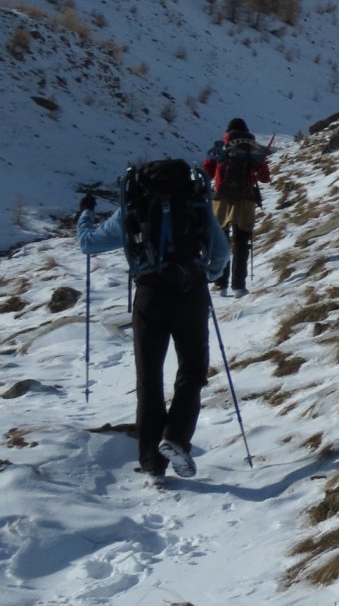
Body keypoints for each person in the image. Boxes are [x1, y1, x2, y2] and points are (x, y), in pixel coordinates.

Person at [78, 161, 229, 480]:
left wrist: (86, 213)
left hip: (149, 294)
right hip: (191, 291)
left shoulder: (135, 202)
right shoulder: (195, 200)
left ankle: (152, 463)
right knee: (192, 370)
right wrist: (208, 275)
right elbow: (221, 251)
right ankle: (175, 437)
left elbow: (88, 243)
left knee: (149, 376)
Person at [201, 117, 271, 296]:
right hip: (246, 200)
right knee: (241, 241)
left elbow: (207, 172)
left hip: (221, 199)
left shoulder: (222, 146)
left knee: (221, 241)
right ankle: (239, 285)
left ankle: (220, 283)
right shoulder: (253, 148)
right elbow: (265, 177)